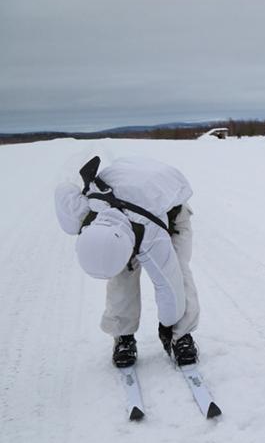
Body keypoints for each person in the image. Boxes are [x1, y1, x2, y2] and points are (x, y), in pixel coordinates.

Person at [55, 155, 202, 368]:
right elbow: (63, 189)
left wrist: (167, 323)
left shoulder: (152, 236)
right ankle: (123, 336)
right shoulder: (82, 214)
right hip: (130, 188)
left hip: (170, 203)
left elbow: (168, 286)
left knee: (177, 270)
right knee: (122, 276)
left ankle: (181, 335)